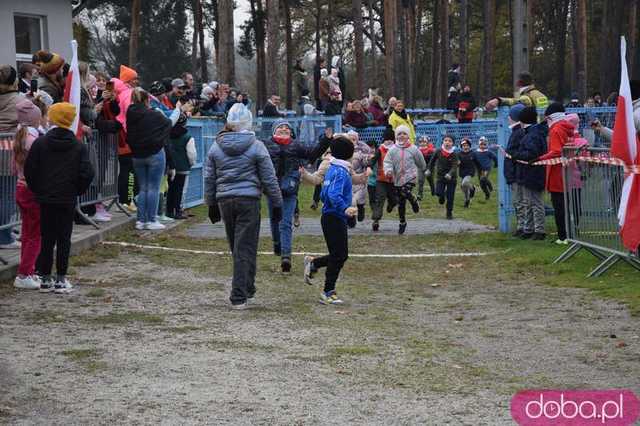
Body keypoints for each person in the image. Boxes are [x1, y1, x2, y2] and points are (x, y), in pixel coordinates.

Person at [205, 104, 282, 310]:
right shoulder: (256, 146)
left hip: (225, 201)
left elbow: (209, 178)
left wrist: (211, 203)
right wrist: (277, 203)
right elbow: (269, 178)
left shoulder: (215, 146)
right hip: (248, 200)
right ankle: (238, 295)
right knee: (245, 247)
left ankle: (248, 287)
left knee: (237, 246)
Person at [24, 102, 95, 293]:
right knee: (64, 238)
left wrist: (38, 189)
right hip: (67, 197)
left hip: (46, 197)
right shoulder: (78, 146)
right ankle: (61, 278)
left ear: (53, 118)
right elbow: (87, 173)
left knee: (46, 238)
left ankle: (45, 277)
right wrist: (76, 190)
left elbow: (30, 170)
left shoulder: (40, 143)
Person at [263, 119, 329, 272]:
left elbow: (312, 153)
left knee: (285, 223)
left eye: (287, 128)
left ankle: (286, 256)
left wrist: (325, 141)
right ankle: (277, 243)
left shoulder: (295, 144)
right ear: (274, 131)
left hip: (289, 190)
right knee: (274, 219)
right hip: (272, 189)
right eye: (280, 127)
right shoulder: (265, 144)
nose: (284, 129)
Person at [303, 135, 357, 305]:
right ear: (349, 153)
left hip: (330, 216)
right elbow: (333, 194)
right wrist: (345, 208)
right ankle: (328, 291)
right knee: (339, 255)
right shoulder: (341, 171)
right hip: (334, 216)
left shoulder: (333, 168)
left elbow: (325, 193)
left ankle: (314, 264)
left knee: (339, 255)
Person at [126, 88, 173, 230]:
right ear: (147, 100)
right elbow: (168, 124)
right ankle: (151, 219)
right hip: (154, 153)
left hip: (137, 155)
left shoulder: (130, 113)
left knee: (143, 187)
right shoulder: (153, 114)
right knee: (153, 187)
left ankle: (140, 220)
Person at [534, 102, 580, 244]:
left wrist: (538, 159)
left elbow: (555, 151)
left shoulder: (555, 130)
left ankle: (563, 236)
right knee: (565, 205)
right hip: (568, 171)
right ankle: (570, 234)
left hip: (557, 173)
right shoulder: (566, 128)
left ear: (550, 117)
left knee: (559, 206)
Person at [12, 100, 42, 289]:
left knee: (27, 233)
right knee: (35, 234)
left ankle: (27, 270)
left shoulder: (20, 135)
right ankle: (24, 273)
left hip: (21, 187)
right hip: (32, 189)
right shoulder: (33, 140)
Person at [510, 106, 547, 240]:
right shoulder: (531, 133)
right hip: (528, 172)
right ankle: (529, 228)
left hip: (533, 172)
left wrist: (517, 155)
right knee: (529, 202)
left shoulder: (532, 134)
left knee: (535, 202)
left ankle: (539, 230)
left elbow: (532, 153)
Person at [383, 125, 426, 234]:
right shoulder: (392, 150)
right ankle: (402, 222)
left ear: (408, 136)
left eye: (404, 134)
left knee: (405, 192)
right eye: (399, 134)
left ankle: (413, 200)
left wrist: (423, 167)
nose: (402, 136)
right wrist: (388, 170)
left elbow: (420, 161)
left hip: (410, 176)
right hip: (397, 178)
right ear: (396, 136)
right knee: (401, 202)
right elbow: (387, 162)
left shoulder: (413, 149)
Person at [167, 113, 197, 219]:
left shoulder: (167, 134)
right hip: (182, 167)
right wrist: (191, 163)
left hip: (169, 166)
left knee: (170, 189)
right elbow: (191, 154)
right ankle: (178, 211)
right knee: (180, 190)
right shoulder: (187, 137)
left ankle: (169, 211)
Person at [503, 104, 527, 237]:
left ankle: (522, 227)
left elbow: (514, 154)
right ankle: (521, 226)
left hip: (517, 173)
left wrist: (511, 173)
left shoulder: (518, 133)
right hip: (514, 173)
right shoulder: (516, 132)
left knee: (520, 201)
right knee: (518, 201)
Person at [369, 127, 397, 231]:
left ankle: (391, 204)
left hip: (394, 180)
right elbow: (374, 159)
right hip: (381, 179)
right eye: (386, 139)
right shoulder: (380, 149)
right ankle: (376, 220)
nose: (388, 140)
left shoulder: (397, 149)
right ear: (383, 139)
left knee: (394, 199)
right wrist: (369, 166)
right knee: (380, 199)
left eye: (391, 139)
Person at [427, 135, 460, 220]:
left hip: (451, 178)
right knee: (438, 192)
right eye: (445, 140)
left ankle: (449, 212)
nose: (447, 142)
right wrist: (429, 170)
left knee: (450, 196)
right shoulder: (438, 151)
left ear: (452, 143)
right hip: (440, 176)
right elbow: (432, 161)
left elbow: (455, 166)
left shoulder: (454, 154)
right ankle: (442, 196)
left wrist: (450, 174)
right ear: (443, 142)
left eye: (449, 141)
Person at [484, 71, 549, 112]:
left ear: (518, 82)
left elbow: (516, 101)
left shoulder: (527, 96)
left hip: (533, 129)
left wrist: (498, 100)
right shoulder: (541, 95)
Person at [347, 130, 373, 224]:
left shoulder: (362, 150)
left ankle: (361, 208)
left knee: (360, 199)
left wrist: (368, 163)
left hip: (360, 178)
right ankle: (351, 219)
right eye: (350, 139)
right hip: (348, 179)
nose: (352, 141)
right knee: (350, 201)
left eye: (354, 139)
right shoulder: (343, 150)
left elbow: (366, 161)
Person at [458, 138, 476, 208]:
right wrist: (457, 163)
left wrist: (481, 170)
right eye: (464, 146)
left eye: (467, 145)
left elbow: (477, 162)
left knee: (464, 183)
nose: (465, 147)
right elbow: (456, 162)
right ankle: (467, 198)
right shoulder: (459, 154)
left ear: (469, 146)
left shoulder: (473, 153)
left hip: (470, 172)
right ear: (461, 147)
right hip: (462, 173)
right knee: (463, 187)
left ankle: (471, 191)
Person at [417, 136, 436, 200]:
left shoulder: (431, 150)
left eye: (424, 142)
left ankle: (433, 190)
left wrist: (430, 167)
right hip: (420, 167)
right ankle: (420, 194)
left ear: (427, 142)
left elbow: (433, 159)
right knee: (420, 180)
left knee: (430, 179)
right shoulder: (417, 150)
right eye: (421, 142)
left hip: (429, 166)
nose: (422, 143)